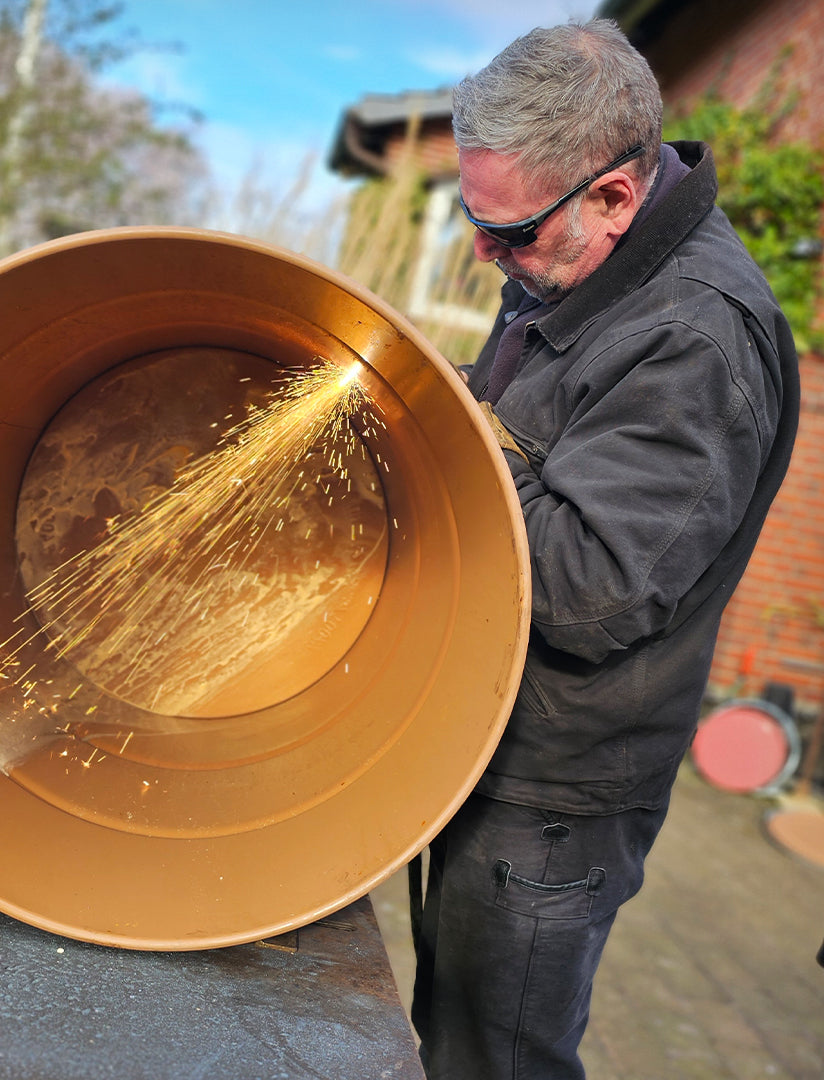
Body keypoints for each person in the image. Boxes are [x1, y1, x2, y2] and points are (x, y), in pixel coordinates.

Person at [410, 18, 799, 1079]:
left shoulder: (695, 338)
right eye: (474, 222)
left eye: (511, 234)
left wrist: (457, 441)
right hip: (498, 750)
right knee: (449, 1039)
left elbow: (592, 586)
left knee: (498, 1059)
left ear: (616, 197)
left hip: (556, 797)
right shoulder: (571, 260)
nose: (486, 255)